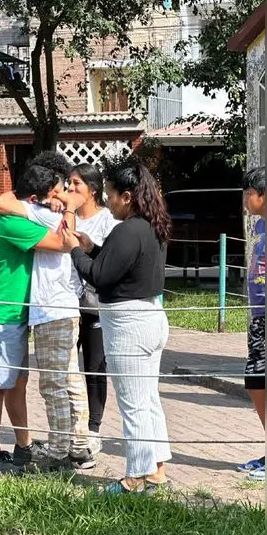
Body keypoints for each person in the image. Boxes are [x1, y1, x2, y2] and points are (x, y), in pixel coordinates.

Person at [63, 163, 172, 494]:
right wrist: (90, 248)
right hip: (149, 317)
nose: (107, 202)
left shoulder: (127, 230)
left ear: (127, 197)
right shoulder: (150, 226)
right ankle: (155, 469)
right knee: (147, 399)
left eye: (110, 195)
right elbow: (115, 264)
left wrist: (72, 251)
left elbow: (99, 276)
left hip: (130, 325)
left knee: (133, 403)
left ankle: (135, 478)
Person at [0, 152, 94, 472]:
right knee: (70, 379)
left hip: (51, 310)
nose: (64, 189)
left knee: (53, 384)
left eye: (67, 185)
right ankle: (79, 446)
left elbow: (2, 202)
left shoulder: (40, 214)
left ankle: (61, 450)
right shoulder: (54, 212)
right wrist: (61, 203)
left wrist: (54, 202)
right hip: (64, 306)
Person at [0, 165, 72, 475]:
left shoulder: (21, 212)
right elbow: (61, 242)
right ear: (34, 199)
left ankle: (23, 445)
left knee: (17, 383)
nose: (59, 198)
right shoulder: (13, 223)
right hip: (1, 315)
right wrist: (69, 208)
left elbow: (6, 198)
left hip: (17, 313)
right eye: (53, 194)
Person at [66, 163, 119, 453]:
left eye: (76, 184)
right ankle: (72, 426)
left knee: (95, 366)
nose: (70, 189)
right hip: (64, 303)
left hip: (95, 306)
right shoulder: (66, 217)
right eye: (69, 183)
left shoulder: (108, 222)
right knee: (66, 368)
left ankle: (94, 428)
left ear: (92, 190)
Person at [237, 166, 265, 481]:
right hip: (259, 317)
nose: (245, 199)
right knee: (257, 382)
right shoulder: (261, 225)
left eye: (250, 193)